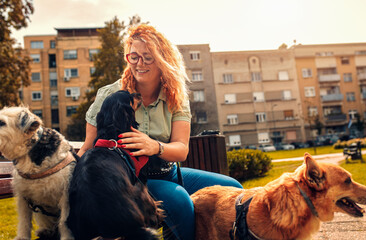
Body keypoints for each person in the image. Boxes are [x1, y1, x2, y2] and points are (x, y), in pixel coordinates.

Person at [78, 24, 243, 240]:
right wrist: (70, 181)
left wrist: (155, 146)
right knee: (180, 202)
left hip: (168, 172)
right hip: (130, 180)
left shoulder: (176, 96)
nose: (139, 64)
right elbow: (88, 147)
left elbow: (181, 150)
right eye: (134, 57)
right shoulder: (110, 94)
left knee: (233, 189)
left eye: (148, 57)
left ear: (162, 60)